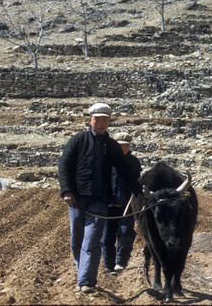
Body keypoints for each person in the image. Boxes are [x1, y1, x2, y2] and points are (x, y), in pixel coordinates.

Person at [58, 102, 144, 294]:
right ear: (90, 120)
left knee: (92, 240)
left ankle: (86, 280)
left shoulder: (112, 145)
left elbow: (124, 170)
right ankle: (83, 272)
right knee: (76, 240)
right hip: (77, 199)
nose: (101, 123)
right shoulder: (78, 140)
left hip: (100, 200)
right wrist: (67, 191)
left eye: (105, 120)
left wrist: (138, 191)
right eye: (98, 119)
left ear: (109, 122)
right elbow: (64, 165)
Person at [101, 132, 142, 275]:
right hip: (109, 206)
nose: (123, 147)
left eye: (126, 145)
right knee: (107, 237)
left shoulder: (134, 162)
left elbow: (137, 181)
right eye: (120, 145)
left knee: (125, 234)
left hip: (127, 205)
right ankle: (109, 264)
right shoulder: (106, 161)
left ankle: (120, 263)